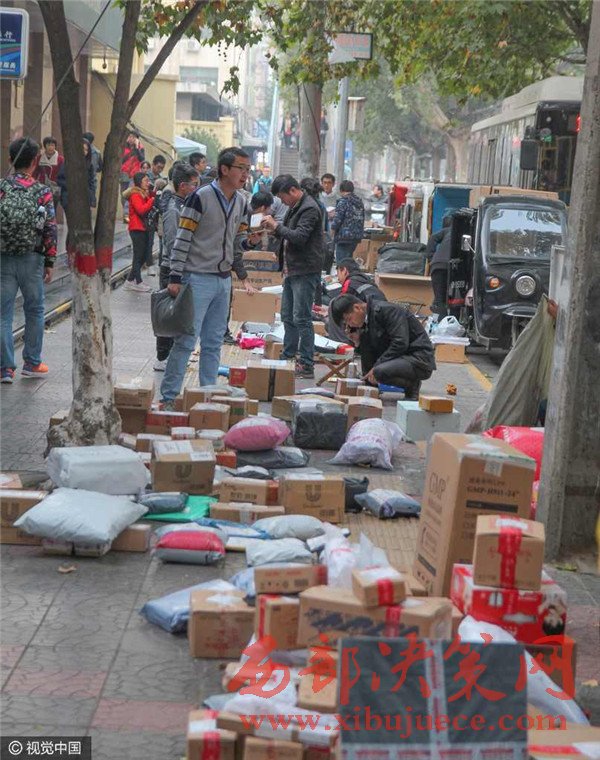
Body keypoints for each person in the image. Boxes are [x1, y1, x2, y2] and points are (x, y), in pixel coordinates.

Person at [160, 147, 259, 404]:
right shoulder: (200, 197)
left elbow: (238, 240)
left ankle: (207, 396)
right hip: (196, 278)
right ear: (224, 169)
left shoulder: (241, 201)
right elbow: (183, 238)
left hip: (223, 280)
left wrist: (251, 242)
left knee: (214, 342)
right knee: (186, 340)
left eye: (248, 169)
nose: (245, 174)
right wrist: (175, 277)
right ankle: (168, 397)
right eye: (241, 168)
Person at [1, 137, 57, 382]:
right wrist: (50, 260)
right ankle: (32, 363)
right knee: (34, 310)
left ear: (10, 159)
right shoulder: (42, 191)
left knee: (3, 313)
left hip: (4, 257)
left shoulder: (2, 187)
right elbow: (49, 227)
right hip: (32, 257)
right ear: (35, 161)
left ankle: (5, 368)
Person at [262, 174, 323, 379]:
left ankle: (306, 364)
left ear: (293, 191)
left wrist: (277, 226)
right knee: (287, 315)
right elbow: (289, 233)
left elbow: (299, 237)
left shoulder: (309, 208)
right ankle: (288, 355)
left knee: (302, 318)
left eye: (282, 197)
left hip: (305, 270)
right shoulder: (296, 206)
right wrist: (274, 231)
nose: (283, 202)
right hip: (292, 269)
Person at [331, 294, 435, 399]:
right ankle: (372, 388)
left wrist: (376, 367)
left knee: (378, 371)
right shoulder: (365, 320)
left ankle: (412, 386)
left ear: (357, 308)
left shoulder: (388, 310)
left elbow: (400, 343)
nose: (350, 324)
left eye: (349, 319)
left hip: (419, 358)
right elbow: (368, 353)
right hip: (399, 358)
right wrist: (357, 341)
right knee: (374, 370)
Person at [154, 162, 199, 371]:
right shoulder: (173, 209)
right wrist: (176, 272)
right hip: (171, 269)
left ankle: (173, 355)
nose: (196, 189)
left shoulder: (184, 206)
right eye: (193, 185)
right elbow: (172, 243)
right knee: (168, 314)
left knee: (179, 313)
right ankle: (162, 357)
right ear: (182, 186)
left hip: (182, 268)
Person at [122, 171, 155, 292]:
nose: (148, 183)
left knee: (143, 256)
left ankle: (130, 281)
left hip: (143, 228)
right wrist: (151, 200)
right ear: (139, 182)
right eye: (145, 181)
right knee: (138, 256)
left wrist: (151, 195)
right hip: (136, 228)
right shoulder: (136, 195)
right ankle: (138, 281)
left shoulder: (143, 193)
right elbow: (141, 210)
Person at [331, 180, 365, 264]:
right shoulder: (359, 202)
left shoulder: (343, 201)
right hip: (356, 237)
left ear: (341, 190)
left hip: (344, 237)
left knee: (341, 262)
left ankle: (342, 272)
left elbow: (337, 220)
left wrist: (332, 233)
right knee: (348, 261)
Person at [143, 155, 167, 275]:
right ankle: (147, 264)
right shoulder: (145, 178)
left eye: (162, 168)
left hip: (156, 214)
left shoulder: (161, 180)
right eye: (158, 167)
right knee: (148, 240)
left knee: (155, 240)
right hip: (146, 213)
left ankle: (149, 263)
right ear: (153, 164)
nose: (159, 170)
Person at [56, 138, 96, 211]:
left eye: (86, 150)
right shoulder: (68, 163)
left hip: (84, 199)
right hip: (69, 198)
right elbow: (59, 179)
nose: (84, 152)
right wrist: (72, 186)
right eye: (82, 149)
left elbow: (92, 184)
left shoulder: (89, 166)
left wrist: (92, 201)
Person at [425, 214, 453, 317]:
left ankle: (441, 319)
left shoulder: (446, 231)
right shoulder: (457, 231)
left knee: (440, 298)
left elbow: (433, 237)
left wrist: (430, 257)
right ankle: (445, 319)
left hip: (438, 265)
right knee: (451, 298)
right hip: (453, 267)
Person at [120, 130, 145, 223]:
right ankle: (126, 213)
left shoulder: (140, 148)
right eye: (130, 136)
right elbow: (120, 160)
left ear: (137, 139)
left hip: (134, 174)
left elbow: (142, 159)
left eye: (133, 137)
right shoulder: (123, 146)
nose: (131, 139)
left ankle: (127, 215)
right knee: (123, 195)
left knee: (130, 193)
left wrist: (137, 148)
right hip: (124, 173)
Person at [34, 136, 63, 209]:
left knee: (52, 208)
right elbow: (35, 172)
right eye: (48, 145)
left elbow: (62, 174)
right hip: (41, 187)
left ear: (55, 146)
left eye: (52, 145)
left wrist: (58, 182)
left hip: (54, 188)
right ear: (45, 146)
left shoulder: (60, 159)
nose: (50, 147)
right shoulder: (39, 158)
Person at [82, 131, 103, 207]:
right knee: (89, 202)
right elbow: (100, 167)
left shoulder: (80, 151)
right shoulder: (97, 152)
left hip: (86, 180)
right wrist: (94, 169)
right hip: (93, 180)